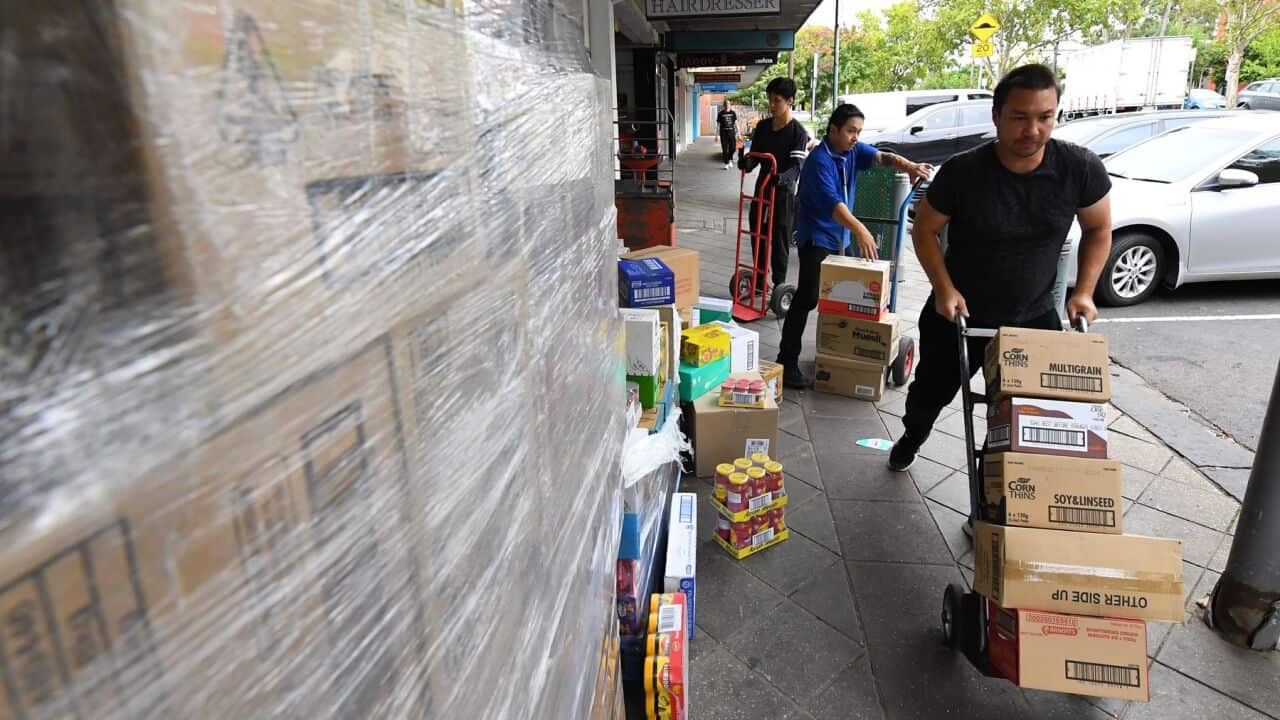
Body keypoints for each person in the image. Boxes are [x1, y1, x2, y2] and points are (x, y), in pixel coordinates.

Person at [888, 64, 1114, 528]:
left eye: (1045, 117)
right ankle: (912, 437)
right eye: (1019, 117)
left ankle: (993, 507)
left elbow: (1098, 228)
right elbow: (925, 230)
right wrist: (944, 288)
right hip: (960, 314)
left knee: (1021, 422)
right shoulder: (963, 172)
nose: (1033, 130)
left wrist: (1085, 292)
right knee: (931, 394)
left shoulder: (1079, 168)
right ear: (996, 116)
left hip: (1031, 317)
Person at [776, 104, 932, 389]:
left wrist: (911, 167)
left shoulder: (852, 151)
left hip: (839, 239)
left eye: (858, 131)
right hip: (818, 239)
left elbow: (883, 157)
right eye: (850, 131)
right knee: (808, 298)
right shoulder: (819, 162)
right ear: (833, 130)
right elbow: (833, 205)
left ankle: (837, 349)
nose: (855, 137)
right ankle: (786, 361)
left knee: (841, 297)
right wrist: (860, 229)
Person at [738, 78, 809, 294]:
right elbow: (755, 157)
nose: (771, 105)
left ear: (790, 101)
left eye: (776, 100)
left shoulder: (798, 133)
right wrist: (746, 162)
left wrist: (782, 178)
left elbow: (796, 168)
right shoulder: (763, 127)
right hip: (762, 189)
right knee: (757, 233)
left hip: (783, 193)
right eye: (770, 100)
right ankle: (759, 281)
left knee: (779, 238)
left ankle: (779, 285)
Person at [716, 103, 739, 169]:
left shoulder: (733, 113)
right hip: (723, 133)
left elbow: (736, 123)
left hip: (731, 132)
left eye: (728, 104)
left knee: (733, 148)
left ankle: (730, 159)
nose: (727, 105)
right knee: (725, 149)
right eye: (726, 104)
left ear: (730, 105)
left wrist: (739, 133)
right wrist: (716, 135)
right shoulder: (721, 113)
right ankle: (726, 163)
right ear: (724, 105)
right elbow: (718, 125)